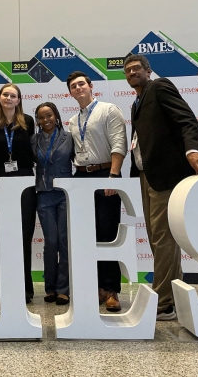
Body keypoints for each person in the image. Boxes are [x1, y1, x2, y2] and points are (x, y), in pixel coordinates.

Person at [124, 55, 198, 320]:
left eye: (136, 68)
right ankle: (173, 295)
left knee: (163, 239)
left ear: (148, 71)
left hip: (165, 175)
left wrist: (193, 150)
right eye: (128, 71)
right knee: (156, 238)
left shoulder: (159, 87)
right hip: (145, 175)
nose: (132, 73)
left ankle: (162, 303)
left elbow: (186, 120)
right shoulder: (135, 102)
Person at [66, 71, 127, 312]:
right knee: (87, 236)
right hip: (81, 177)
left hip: (105, 175)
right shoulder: (73, 120)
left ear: (91, 87)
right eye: (74, 86)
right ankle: (96, 288)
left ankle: (111, 290)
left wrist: (113, 176)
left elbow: (119, 143)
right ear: (70, 92)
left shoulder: (108, 109)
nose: (78, 88)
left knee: (108, 235)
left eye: (82, 84)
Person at [0, 83, 36, 303]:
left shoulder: (29, 122)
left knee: (23, 232)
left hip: (23, 177)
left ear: (18, 100)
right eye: (5, 94)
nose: (9, 98)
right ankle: (1, 288)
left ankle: (25, 288)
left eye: (13, 95)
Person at [31, 102, 74, 305]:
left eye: (49, 115)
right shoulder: (34, 140)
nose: (46, 119)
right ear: (38, 120)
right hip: (44, 193)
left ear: (56, 116)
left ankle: (64, 289)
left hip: (65, 193)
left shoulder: (69, 137)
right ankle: (50, 288)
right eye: (41, 117)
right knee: (51, 242)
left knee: (65, 241)